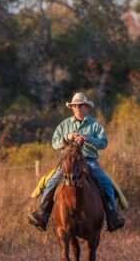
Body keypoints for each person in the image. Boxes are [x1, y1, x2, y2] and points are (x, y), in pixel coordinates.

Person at [28, 92, 125, 232]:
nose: (77, 108)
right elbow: (54, 143)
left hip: (89, 161)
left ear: (86, 107)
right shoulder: (64, 125)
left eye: (80, 105)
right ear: (72, 107)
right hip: (68, 162)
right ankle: (43, 214)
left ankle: (112, 215)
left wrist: (87, 138)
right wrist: (67, 136)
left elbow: (103, 143)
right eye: (75, 106)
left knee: (106, 182)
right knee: (51, 182)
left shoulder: (95, 125)